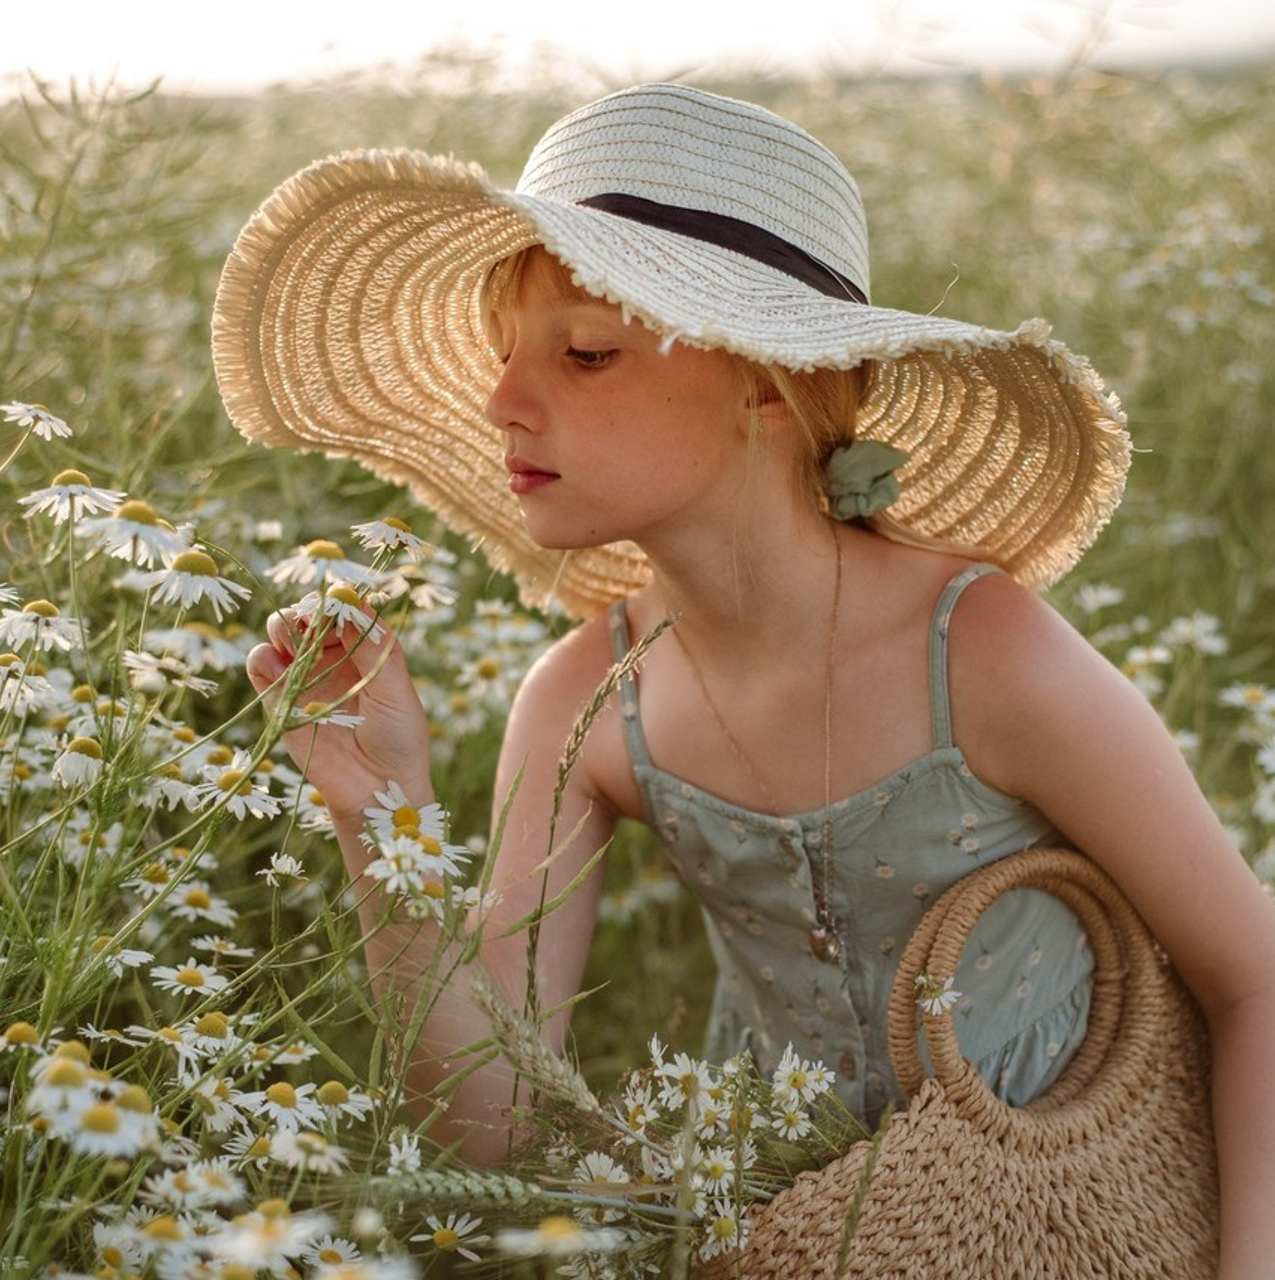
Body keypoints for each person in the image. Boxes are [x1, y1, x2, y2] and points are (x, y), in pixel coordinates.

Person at [214, 82, 1275, 1273]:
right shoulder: (585, 702)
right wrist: (381, 820)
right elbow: (490, 1126)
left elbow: (1253, 981)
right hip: (781, 1238)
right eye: (504, 354)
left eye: (585, 352)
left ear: (771, 380)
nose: (501, 401)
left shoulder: (984, 654)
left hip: (1080, 1218)